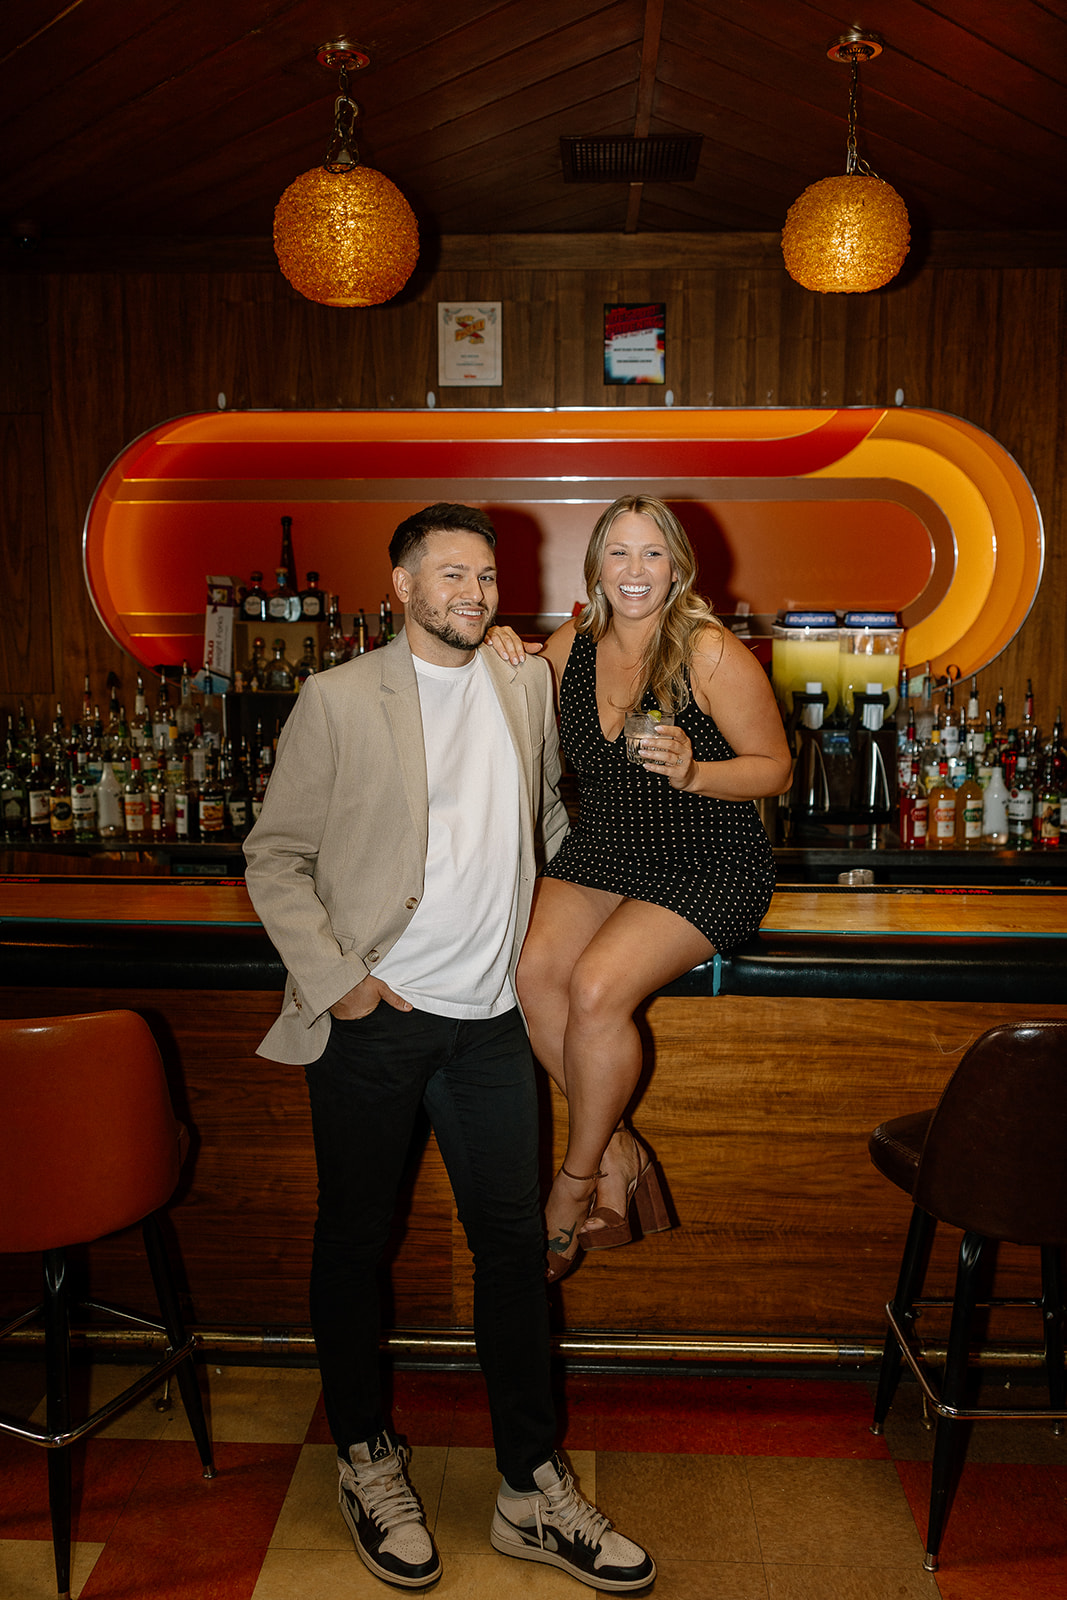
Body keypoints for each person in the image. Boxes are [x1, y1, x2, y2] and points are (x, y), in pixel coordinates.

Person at [243, 503, 655, 1594]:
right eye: (453, 575)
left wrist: (624, 899)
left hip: (487, 1031)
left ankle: (530, 1484)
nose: (475, 593)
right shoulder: (335, 700)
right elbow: (273, 856)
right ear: (401, 587)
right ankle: (367, 1456)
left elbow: (547, 826)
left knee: (513, 1253)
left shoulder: (522, 680)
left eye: (486, 576)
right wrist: (343, 984)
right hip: (373, 1024)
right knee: (354, 1244)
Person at [488, 494, 793, 1282]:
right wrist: (498, 647)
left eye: (651, 553)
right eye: (617, 553)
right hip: (606, 851)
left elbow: (775, 769)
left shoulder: (707, 649)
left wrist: (695, 770)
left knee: (593, 989)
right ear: (594, 568)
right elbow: (506, 687)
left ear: (676, 567)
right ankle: (618, 1147)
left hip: (708, 858)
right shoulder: (574, 642)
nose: (634, 570)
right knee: (527, 977)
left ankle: (575, 1179)